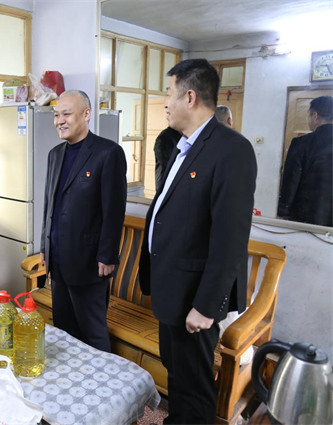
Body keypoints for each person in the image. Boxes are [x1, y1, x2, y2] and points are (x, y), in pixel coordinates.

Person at [139, 59, 257, 424]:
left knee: (195, 386)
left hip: (194, 298)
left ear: (189, 97)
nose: (165, 103)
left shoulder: (231, 149)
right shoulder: (183, 145)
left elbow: (230, 239)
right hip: (172, 288)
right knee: (177, 374)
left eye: (169, 94)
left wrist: (206, 307)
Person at [40, 90, 127, 352]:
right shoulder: (55, 154)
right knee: (64, 330)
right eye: (56, 115)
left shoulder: (107, 153)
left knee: (93, 333)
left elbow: (113, 210)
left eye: (66, 114)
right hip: (58, 260)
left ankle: (102, 378)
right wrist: (45, 246)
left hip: (90, 263)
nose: (59, 121)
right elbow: (49, 204)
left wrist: (107, 255)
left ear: (87, 114)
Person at [278, 95, 333, 227]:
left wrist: (283, 211)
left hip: (306, 217)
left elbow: (291, 181)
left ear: (315, 116)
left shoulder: (301, 143)